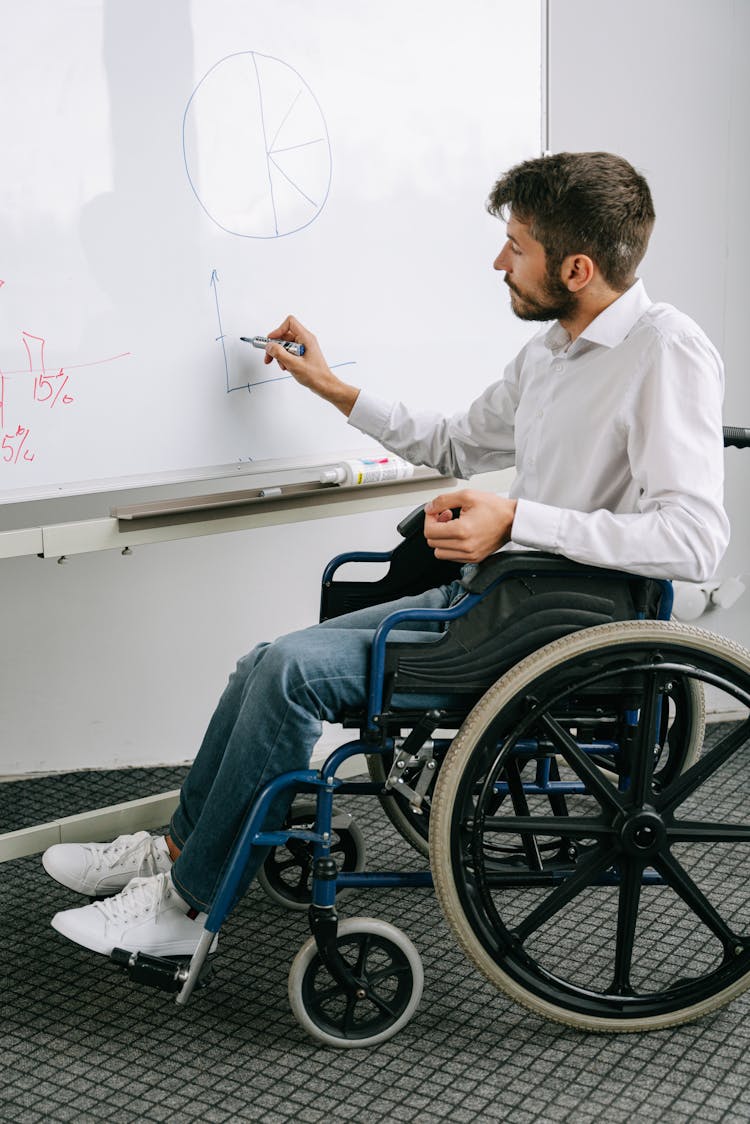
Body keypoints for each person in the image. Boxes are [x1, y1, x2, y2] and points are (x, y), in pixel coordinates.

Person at [42, 151, 729, 958]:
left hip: (560, 626)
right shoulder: (550, 352)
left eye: (517, 246)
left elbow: (693, 537)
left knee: (290, 675)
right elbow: (454, 441)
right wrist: (330, 386)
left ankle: (183, 908)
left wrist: (517, 521)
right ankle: (172, 855)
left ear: (577, 267)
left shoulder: (665, 352)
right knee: (261, 661)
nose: (499, 262)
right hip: (494, 598)